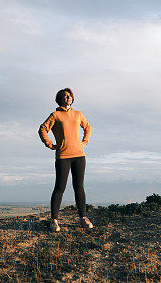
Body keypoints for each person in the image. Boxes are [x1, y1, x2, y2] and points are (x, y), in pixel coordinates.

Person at [38, 87, 93, 232]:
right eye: (64, 96)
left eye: (69, 95)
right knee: (59, 188)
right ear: (59, 99)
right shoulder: (55, 115)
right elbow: (42, 129)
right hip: (63, 156)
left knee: (79, 187)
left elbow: (87, 127)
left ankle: (83, 218)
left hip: (79, 156)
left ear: (72, 98)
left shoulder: (78, 114)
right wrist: (50, 144)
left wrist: (85, 141)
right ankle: (54, 220)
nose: (67, 97)